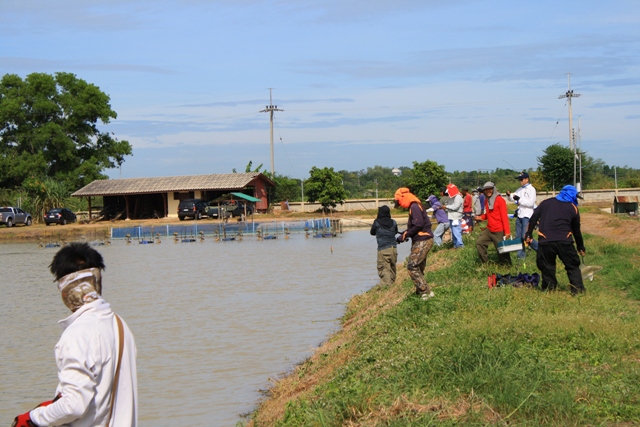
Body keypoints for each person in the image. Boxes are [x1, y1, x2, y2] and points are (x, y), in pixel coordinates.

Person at [12, 242, 138, 427]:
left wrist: (33, 417)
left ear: (64, 288)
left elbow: (73, 406)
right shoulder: (119, 324)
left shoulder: (77, 334)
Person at [525, 185, 586, 295]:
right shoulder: (573, 207)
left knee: (547, 267)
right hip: (565, 241)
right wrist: (580, 246)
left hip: (545, 240)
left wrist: (528, 234)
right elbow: (576, 230)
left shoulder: (545, 203)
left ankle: (549, 289)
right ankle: (577, 290)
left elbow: (533, 218)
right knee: (572, 266)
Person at [394, 187, 435, 300]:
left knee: (412, 266)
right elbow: (414, 226)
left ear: (403, 197)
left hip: (423, 240)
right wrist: (405, 233)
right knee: (419, 267)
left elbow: (418, 225)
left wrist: (406, 235)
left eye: (399, 201)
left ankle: (424, 292)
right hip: (421, 239)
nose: (400, 204)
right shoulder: (415, 206)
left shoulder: (415, 206)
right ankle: (423, 292)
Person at [475, 181, 512, 265]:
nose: (488, 191)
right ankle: (485, 264)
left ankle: (507, 267)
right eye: (486, 190)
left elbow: (504, 217)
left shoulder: (500, 200)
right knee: (479, 242)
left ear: (493, 189)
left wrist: (507, 231)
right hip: (489, 229)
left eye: (490, 189)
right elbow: (489, 214)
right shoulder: (487, 200)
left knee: (502, 250)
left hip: (498, 230)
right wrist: (481, 217)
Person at [506, 172, 538, 258]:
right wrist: (509, 195)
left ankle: (540, 249)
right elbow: (513, 198)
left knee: (526, 236)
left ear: (527, 179)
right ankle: (521, 256)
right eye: (519, 179)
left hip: (527, 215)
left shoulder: (532, 189)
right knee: (518, 237)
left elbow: (531, 203)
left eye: (521, 179)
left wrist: (519, 200)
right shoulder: (519, 189)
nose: (520, 181)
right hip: (520, 215)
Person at [370, 205, 399, 286]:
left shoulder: (376, 222)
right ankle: (392, 285)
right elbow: (395, 232)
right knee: (392, 268)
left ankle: (387, 287)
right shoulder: (393, 222)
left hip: (383, 250)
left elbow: (372, 232)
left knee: (384, 269)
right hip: (393, 249)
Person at [444, 183, 464, 248]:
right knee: (453, 232)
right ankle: (455, 245)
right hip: (451, 216)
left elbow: (455, 207)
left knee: (456, 231)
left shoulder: (458, 197)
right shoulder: (452, 198)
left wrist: (446, 206)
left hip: (456, 217)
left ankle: (460, 245)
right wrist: (446, 207)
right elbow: (450, 206)